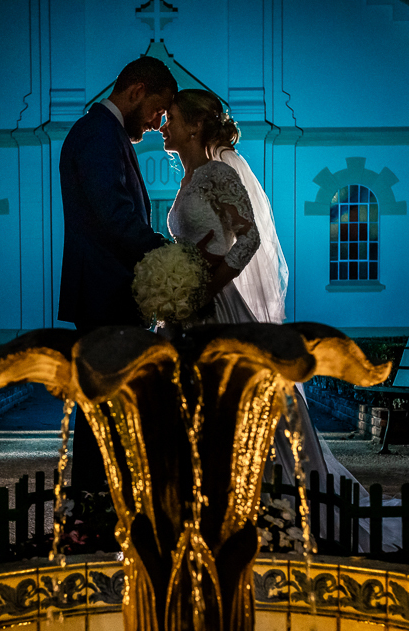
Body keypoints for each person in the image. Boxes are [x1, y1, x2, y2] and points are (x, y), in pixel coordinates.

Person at [160, 88, 369, 539]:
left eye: (171, 118)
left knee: (249, 404)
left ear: (195, 126)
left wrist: (204, 287)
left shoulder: (218, 174)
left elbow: (250, 238)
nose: (163, 126)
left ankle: (277, 512)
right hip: (188, 314)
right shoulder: (187, 180)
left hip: (220, 308)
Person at [57, 56, 177, 494]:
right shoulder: (98, 134)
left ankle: (104, 497)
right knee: (102, 409)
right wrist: (167, 257)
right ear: (138, 91)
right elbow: (114, 216)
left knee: (108, 406)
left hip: (108, 292)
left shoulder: (103, 133)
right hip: (105, 294)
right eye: (157, 110)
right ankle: (94, 500)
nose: (156, 122)